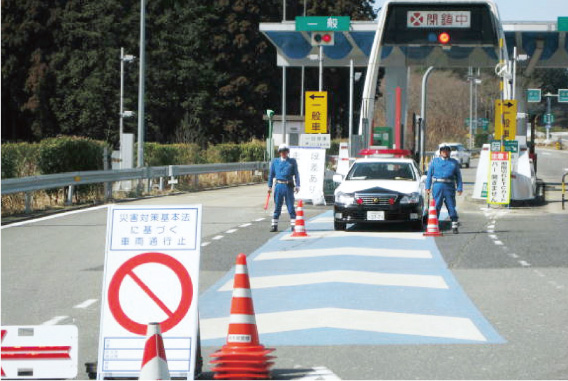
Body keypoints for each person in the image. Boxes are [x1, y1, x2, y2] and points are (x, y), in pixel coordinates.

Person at [425, 145, 463, 234]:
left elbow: (458, 176)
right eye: (443, 151)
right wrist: (427, 187)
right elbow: (429, 175)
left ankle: (454, 224)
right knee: (436, 205)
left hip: (449, 185)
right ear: (440, 152)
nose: (445, 153)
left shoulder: (454, 162)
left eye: (447, 151)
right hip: (437, 185)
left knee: (451, 205)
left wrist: (459, 187)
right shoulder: (434, 161)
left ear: (449, 152)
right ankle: (435, 224)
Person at [267, 144, 300, 232]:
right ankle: (274, 225)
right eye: (282, 151)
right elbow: (271, 175)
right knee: (277, 205)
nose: (284, 153)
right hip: (279, 185)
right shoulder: (275, 162)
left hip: (288, 186)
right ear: (279, 153)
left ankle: (293, 225)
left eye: (285, 151)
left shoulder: (292, 162)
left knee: (290, 206)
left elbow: (296, 174)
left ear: (288, 152)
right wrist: (269, 186)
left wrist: (297, 185)